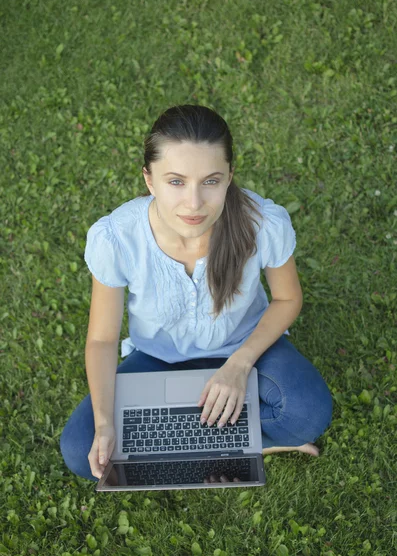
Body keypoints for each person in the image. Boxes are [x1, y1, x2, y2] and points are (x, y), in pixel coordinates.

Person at [60, 104, 333, 482]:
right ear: (149, 180)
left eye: (210, 181)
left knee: (308, 413)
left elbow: (288, 299)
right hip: (158, 357)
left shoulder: (263, 224)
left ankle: (202, 441)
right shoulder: (117, 237)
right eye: (176, 182)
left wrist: (239, 365)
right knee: (80, 449)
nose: (193, 203)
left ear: (229, 176)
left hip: (245, 347)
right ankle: (239, 440)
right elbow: (103, 339)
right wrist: (106, 424)